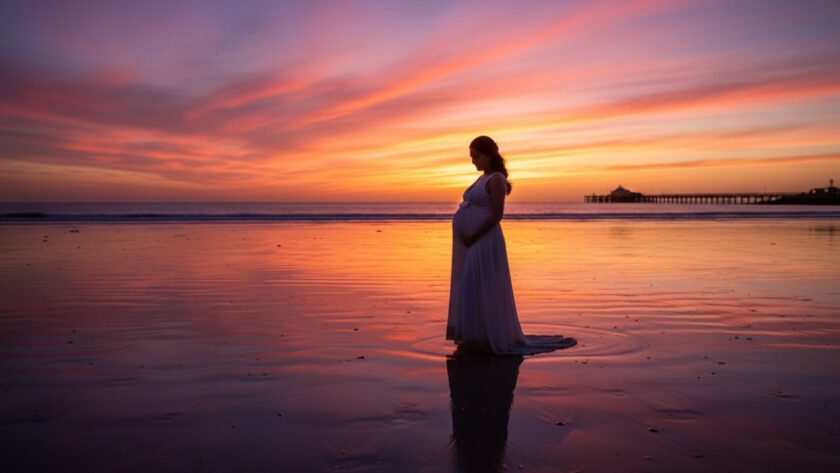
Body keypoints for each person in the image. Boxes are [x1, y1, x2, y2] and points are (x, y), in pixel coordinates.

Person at [446, 136, 576, 355]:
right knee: (471, 287)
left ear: (489, 155)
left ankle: (487, 337)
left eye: (476, 156)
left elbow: (497, 214)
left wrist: (474, 236)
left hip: (484, 240)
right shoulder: (482, 178)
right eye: (472, 157)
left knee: (478, 285)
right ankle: (477, 335)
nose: (473, 161)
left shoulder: (496, 179)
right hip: (472, 242)